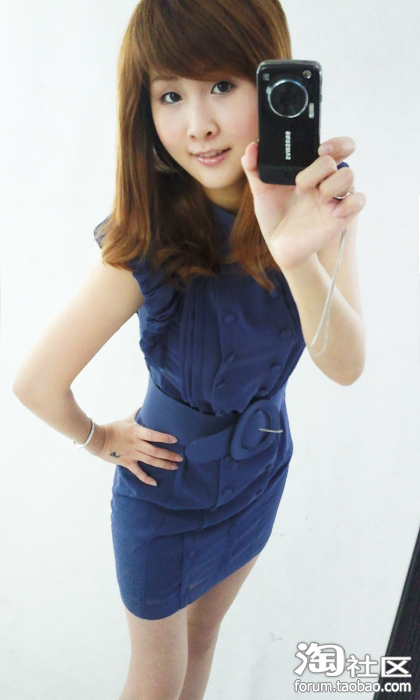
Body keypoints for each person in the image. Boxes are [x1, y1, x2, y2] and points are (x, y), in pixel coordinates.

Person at [13, 0, 366, 698]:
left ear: (270, 78)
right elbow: (37, 383)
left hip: (260, 472)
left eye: (221, 86)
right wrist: (99, 439)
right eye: (170, 95)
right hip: (164, 495)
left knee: (203, 642)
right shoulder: (148, 239)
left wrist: (297, 255)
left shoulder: (317, 201)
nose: (198, 124)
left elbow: (346, 367)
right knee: (157, 679)